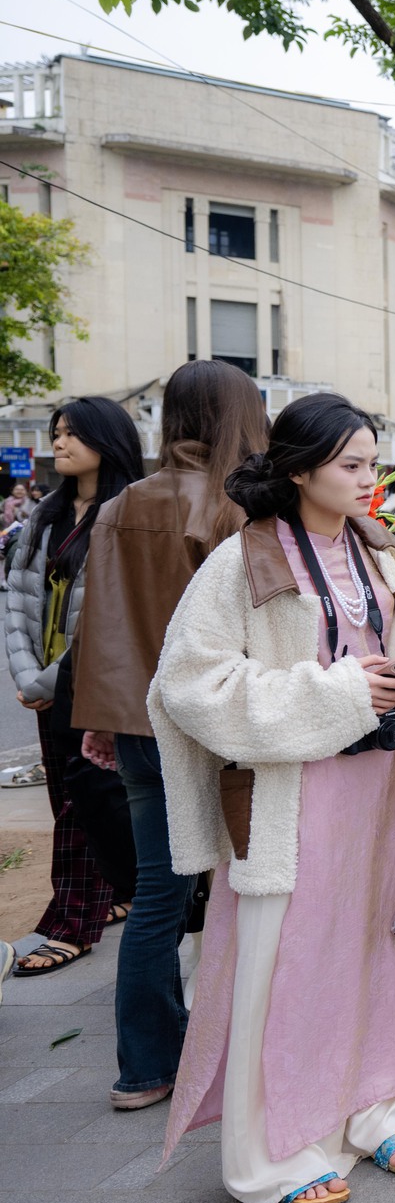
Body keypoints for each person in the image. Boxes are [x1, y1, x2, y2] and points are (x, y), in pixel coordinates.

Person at [155, 393, 395, 1203]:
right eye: (352, 464)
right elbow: (189, 684)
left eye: (373, 462)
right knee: (291, 965)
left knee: (384, 948)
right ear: (297, 470)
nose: (370, 478)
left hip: (382, 786)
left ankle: (377, 1107)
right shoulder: (241, 560)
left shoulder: (383, 549)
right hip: (294, 793)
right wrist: (339, 690)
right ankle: (276, 1154)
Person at [72, 360, 268, 1112]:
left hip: (138, 720)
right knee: (246, 880)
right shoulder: (236, 505)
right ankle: (240, 1047)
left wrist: (100, 720)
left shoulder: (125, 503)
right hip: (218, 718)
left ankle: (144, 1066)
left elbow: (103, 624)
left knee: (159, 892)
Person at [5, 398, 143, 977]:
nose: (56, 443)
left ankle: (71, 924)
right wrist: (23, 672)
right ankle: (110, 892)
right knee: (71, 797)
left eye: (70, 435)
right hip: (44, 679)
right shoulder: (44, 514)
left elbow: (109, 617)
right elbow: (17, 595)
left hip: (96, 681)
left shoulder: (127, 513)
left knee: (82, 801)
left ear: (104, 442)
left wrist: (42, 680)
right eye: (56, 433)